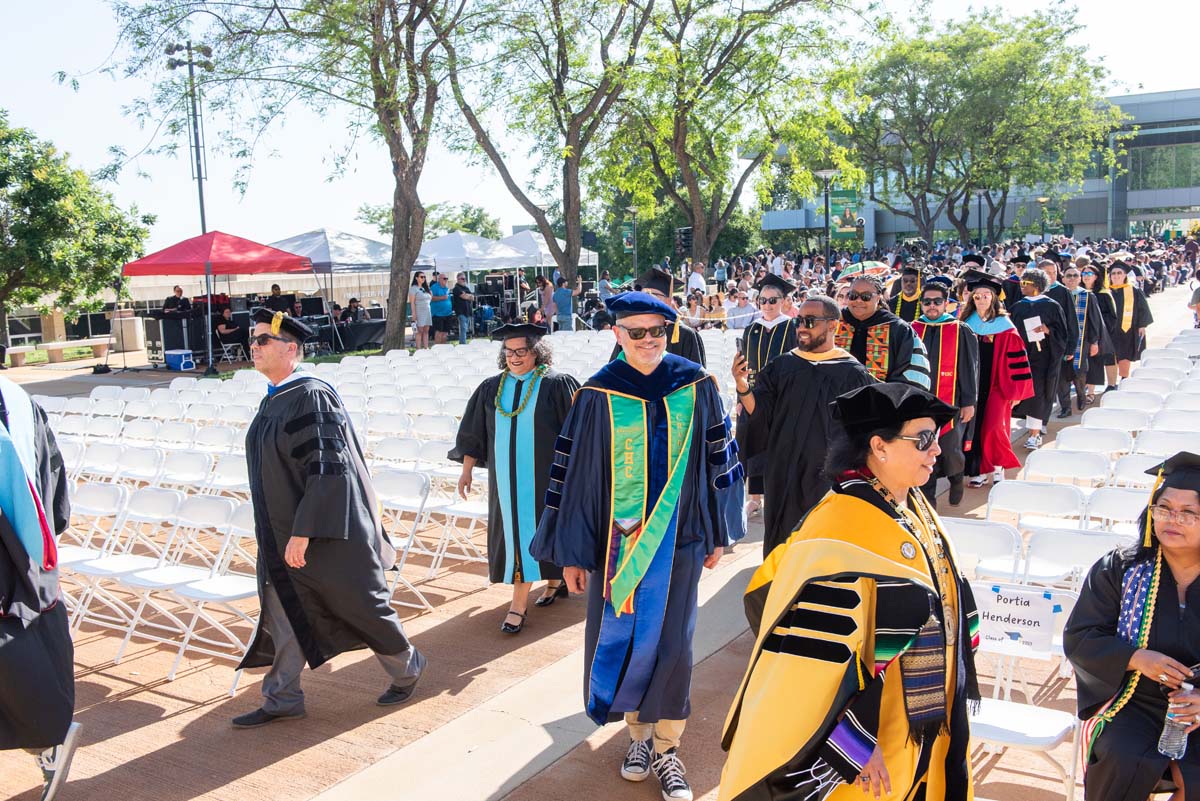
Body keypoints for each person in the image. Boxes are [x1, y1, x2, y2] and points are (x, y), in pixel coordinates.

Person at [718, 382, 980, 801]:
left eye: (938, 439)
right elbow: (806, 657)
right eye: (924, 439)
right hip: (871, 731)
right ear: (879, 446)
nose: (936, 450)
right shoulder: (839, 524)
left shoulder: (914, 505)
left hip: (920, 714)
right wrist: (852, 743)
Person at [531, 291, 745, 801]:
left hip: (683, 539)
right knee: (626, 640)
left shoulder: (696, 385)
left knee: (674, 645)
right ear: (616, 334)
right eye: (636, 332)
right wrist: (574, 554)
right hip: (616, 547)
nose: (648, 341)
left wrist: (718, 530)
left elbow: (721, 459)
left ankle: (667, 748)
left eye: (657, 331)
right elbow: (574, 477)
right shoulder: (599, 393)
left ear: (669, 332)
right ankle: (637, 737)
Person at [233, 309, 426, 728]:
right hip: (284, 530)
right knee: (284, 605)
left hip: (328, 531)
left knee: (360, 604)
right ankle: (282, 696)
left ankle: (409, 666)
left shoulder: (310, 395)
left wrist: (303, 531)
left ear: (291, 348)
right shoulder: (276, 397)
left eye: (263, 340)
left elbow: (327, 469)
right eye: (253, 340)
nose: (254, 346)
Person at [1065, 452, 1200, 801]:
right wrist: (1137, 658)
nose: (1173, 519)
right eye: (1164, 508)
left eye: (1188, 513)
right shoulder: (1120, 570)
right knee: (1120, 757)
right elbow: (1081, 636)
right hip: (1134, 702)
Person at [450, 323, 580, 633]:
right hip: (506, 482)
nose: (515, 357)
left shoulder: (556, 384)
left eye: (522, 351)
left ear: (537, 352)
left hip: (547, 477)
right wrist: (466, 470)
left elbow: (579, 432)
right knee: (516, 534)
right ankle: (542, 587)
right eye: (509, 352)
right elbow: (474, 434)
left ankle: (526, 599)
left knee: (543, 526)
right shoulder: (491, 388)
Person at [733, 295, 874, 556]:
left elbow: (864, 431)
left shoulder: (852, 373)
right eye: (799, 321)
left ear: (833, 325)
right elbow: (760, 412)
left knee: (821, 542)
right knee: (781, 541)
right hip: (783, 469)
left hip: (828, 474)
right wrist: (742, 386)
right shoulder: (783, 366)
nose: (801, 328)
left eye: (810, 321)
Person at [0, 376, 79, 801]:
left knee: (21, 660)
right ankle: (46, 740)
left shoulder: (18, 404)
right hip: (26, 559)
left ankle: (46, 741)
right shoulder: (20, 401)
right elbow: (56, 491)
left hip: (13, 563)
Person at [734, 274, 800, 516]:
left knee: (780, 448)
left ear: (784, 301)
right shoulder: (751, 329)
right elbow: (742, 366)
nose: (768, 305)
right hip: (753, 397)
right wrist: (741, 399)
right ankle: (755, 499)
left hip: (782, 398)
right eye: (763, 300)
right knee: (754, 449)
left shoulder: (793, 327)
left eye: (773, 300)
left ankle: (780, 496)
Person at [960, 269, 1033, 488]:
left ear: (994, 298)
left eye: (986, 295)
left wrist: (1016, 392)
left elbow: (1017, 361)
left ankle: (998, 467)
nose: (981, 299)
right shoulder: (964, 324)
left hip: (997, 386)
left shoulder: (1005, 326)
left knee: (994, 427)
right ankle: (979, 470)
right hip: (971, 385)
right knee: (973, 428)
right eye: (977, 295)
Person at [912, 278, 979, 508]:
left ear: (946, 303)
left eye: (937, 301)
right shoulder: (913, 329)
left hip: (953, 402)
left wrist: (969, 402)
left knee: (951, 451)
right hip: (920, 406)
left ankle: (956, 478)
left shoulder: (959, 329)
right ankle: (928, 501)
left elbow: (969, 370)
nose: (932, 306)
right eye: (927, 302)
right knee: (922, 451)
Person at [833, 274, 932, 390]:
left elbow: (913, 377)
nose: (858, 300)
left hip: (880, 404)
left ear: (878, 298)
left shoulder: (899, 330)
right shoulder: (833, 323)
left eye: (866, 296)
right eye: (853, 295)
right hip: (832, 402)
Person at [1009, 266, 1070, 450]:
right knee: (1021, 395)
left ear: (1035, 285)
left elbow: (1062, 333)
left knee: (1037, 395)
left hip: (1043, 357)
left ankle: (1035, 435)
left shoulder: (1051, 305)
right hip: (1020, 356)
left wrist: (1048, 330)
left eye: (1025, 283)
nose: (1021, 286)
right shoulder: (1018, 306)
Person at [611, 267, 707, 366]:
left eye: (654, 295)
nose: (647, 299)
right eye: (644, 295)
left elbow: (697, 377)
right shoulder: (630, 332)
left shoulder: (686, 335)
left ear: (669, 301)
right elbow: (613, 372)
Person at [1057, 264, 1106, 415]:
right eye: (1068, 276)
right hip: (1061, 340)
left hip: (1081, 340)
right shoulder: (1057, 295)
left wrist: (1095, 342)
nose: (1072, 278)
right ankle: (1065, 407)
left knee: (1079, 370)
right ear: (1063, 279)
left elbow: (1094, 321)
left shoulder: (1087, 295)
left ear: (1080, 279)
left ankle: (1081, 394)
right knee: (1061, 374)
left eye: (1075, 275)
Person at [1105, 260, 1154, 382]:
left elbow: (1143, 308)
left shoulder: (1133, 291)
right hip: (1109, 329)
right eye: (1113, 273)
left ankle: (1124, 379)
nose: (1116, 276)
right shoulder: (1105, 291)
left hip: (1128, 328)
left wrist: (1142, 325)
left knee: (1125, 354)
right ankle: (1111, 382)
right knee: (1110, 355)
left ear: (1125, 275)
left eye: (1119, 273)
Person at [1082, 262, 1119, 396]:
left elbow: (1112, 315)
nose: (1086, 276)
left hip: (1104, 332)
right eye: (1084, 273)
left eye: (1089, 274)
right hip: (1084, 334)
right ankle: (1087, 386)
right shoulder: (1079, 292)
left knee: (1107, 358)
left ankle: (1111, 384)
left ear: (1096, 277)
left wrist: (1099, 326)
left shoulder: (1104, 294)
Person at [409, 272, 432, 349]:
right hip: (419, 311)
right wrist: (413, 314)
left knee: (426, 330)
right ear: (416, 278)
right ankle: (418, 348)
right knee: (419, 331)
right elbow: (412, 302)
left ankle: (426, 347)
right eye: (421, 277)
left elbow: (430, 299)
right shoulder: (413, 288)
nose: (423, 278)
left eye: (424, 277)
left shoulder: (426, 288)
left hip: (427, 311)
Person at [430, 272, 453, 344]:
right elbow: (431, 298)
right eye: (444, 279)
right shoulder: (434, 287)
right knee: (438, 333)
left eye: (446, 279)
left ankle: (443, 349)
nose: (446, 280)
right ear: (439, 279)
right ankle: (437, 349)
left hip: (448, 314)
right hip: (438, 314)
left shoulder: (446, 288)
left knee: (445, 333)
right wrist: (442, 298)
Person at [451, 273, 475, 344]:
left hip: (467, 311)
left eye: (465, 279)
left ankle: (463, 343)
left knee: (466, 329)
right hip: (461, 311)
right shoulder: (456, 288)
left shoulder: (466, 288)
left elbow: (472, 298)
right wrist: (468, 296)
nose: (464, 280)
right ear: (458, 279)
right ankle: (462, 344)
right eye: (462, 279)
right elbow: (464, 297)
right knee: (463, 329)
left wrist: (467, 295)